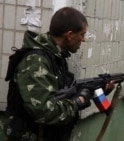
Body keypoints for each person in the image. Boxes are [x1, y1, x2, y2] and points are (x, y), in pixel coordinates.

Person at [3, 7, 114, 141]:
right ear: (69, 35)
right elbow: (45, 112)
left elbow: (61, 94)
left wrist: (94, 91)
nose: (83, 39)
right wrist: (79, 102)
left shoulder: (56, 57)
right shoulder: (36, 62)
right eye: (82, 34)